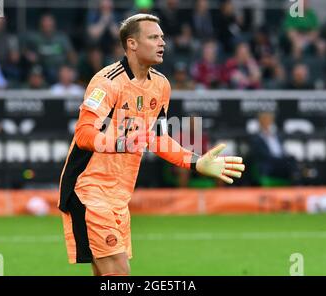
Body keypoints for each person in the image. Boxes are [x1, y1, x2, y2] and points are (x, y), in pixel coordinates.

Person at [59, 13, 245, 276]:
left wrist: (195, 162)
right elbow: (84, 135)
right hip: (88, 190)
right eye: (154, 37)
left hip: (118, 195)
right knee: (119, 274)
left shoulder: (161, 85)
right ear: (132, 44)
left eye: (162, 37)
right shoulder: (107, 81)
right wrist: (121, 141)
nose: (162, 43)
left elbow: (157, 138)